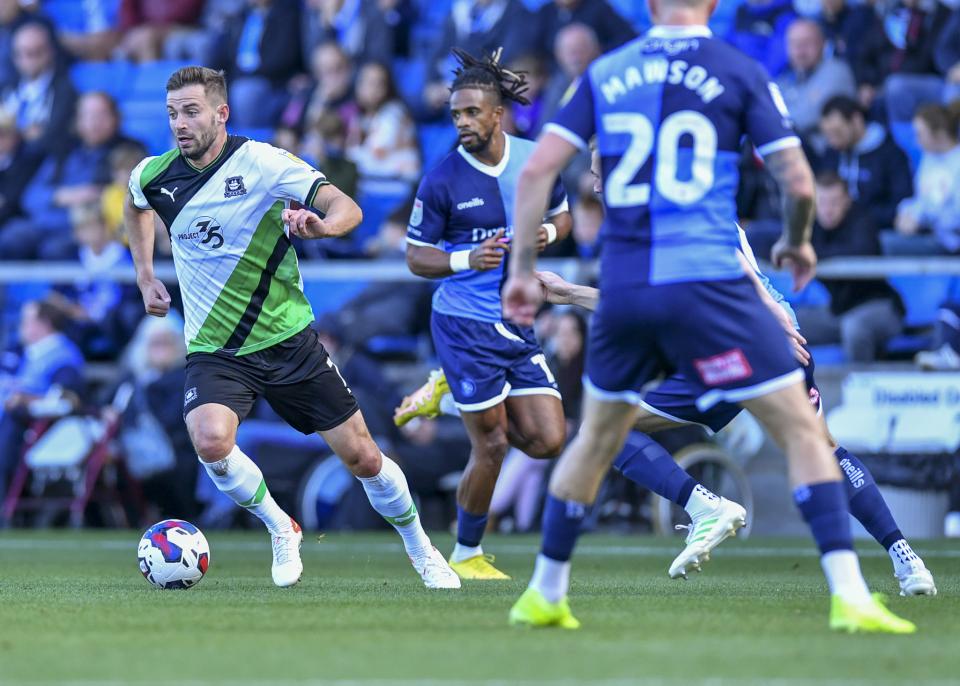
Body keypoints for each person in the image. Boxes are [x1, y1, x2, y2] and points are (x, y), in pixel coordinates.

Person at [501, 0, 915, 633]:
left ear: (647, 7)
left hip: (637, 292)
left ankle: (545, 592)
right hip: (717, 300)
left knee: (596, 436)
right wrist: (798, 246)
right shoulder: (736, 67)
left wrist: (525, 271)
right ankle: (851, 594)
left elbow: (534, 172)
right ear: (713, 6)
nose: (594, 175)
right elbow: (796, 182)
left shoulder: (607, 72)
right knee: (805, 437)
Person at [123, 65, 459, 590]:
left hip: (288, 341)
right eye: (172, 113)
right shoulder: (155, 174)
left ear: (221, 113)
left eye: (191, 111)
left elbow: (345, 206)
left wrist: (323, 226)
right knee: (211, 442)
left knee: (364, 458)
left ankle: (422, 549)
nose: (179, 123)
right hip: (216, 350)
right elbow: (136, 204)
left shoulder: (263, 163)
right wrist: (145, 275)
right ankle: (282, 526)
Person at [401, 48, 572, 580]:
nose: (463, 123)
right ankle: (467, 554)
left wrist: (543, 234)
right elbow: (414, 256)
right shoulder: (442, 178)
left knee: (548, 441)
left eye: (472, 113)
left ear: (499, 113)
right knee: (493, 442)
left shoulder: (535, 159)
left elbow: (563, 218)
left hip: (516, 319)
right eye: (456, 115)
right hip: (464, 323)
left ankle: (450, 394)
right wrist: (464, 258)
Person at [795, 173, 905, 362]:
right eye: (822, 202)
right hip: (838, 310)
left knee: (854, 327)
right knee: (787, 323)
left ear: (847, 201)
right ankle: (792, 387)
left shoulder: (863, 219)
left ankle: (860, 389)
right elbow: (781, 241)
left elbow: (859, 250)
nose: (828, 209)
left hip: (880, 307)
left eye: (835, 202)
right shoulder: (811, 224)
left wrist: (812, 254)